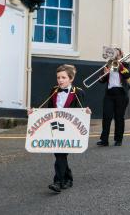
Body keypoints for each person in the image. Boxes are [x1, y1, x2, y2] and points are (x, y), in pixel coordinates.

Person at [28, 64, 92, 193]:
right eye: (58, 77)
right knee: (59, 154)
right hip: (56, 128)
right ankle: (68, 178)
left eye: (63, 77)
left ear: (71, 78)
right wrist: (34, 113)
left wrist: (86, 112)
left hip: (70, 129)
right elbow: (49, 110)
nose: (60, 80)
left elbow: (81, 111)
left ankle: (57, 182)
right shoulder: (54, 90)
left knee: (60, 154)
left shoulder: (78, 92)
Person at [97, 48, 130, 146]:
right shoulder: (108, 64)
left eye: (117, 54)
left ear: (121, 55)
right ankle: (104, 140)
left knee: (119, 117)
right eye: (113, 54)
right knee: (106, 116)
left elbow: (127, 75)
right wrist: (104, 73)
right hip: (109, 94)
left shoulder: (125, 65)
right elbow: (101, 80)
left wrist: (120, 66)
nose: (115, 56)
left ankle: (118, 139)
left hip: (121, 94)